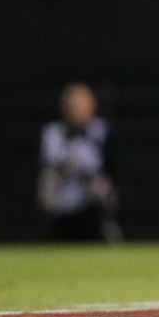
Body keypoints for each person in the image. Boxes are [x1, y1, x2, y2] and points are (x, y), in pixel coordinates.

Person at [38, 83, 121, 242]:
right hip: (62, 196)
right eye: (72, 105)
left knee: (103, 188)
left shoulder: (100, 131)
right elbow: (52, 165)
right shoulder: (53, 132)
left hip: (90, 198)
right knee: (47, 182)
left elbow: (106, 168)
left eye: (80, 104)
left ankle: (107, 230)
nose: (75, 109)